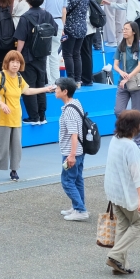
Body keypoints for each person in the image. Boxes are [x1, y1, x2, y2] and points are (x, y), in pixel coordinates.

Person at [0, 50, 55, 182]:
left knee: (16, 146)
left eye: (18, 62)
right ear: (7, 63)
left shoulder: (19, 78)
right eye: (12, 62)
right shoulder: (0, 76)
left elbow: (27, 91)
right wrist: (1, 104)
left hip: (15, 117)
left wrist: (45, 89)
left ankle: (14, 170)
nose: (15, 65)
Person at [104, 110, 140, 276]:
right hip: (126, 194)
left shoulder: (115, 140)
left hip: (113, 191)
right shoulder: (131, 147)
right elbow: (137, 174)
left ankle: (120, 263)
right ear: (134, 126)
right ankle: (115, 255)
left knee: (122, 225)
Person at [14, 0, 56, 125]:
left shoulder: (25, 17)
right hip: (42, 54)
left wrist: (18, 55)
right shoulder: (47, 15)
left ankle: (33, 117)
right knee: (41, 85)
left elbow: (21, 39)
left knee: (29, 86)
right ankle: (42, 115)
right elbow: (54, 30)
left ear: (28, 0)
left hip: (28, 55)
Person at [55, 78, 88, 221]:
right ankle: (77, 206)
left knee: (67, 181)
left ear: (65, 91)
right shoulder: (76, 103)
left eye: (57, 88)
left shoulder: (69, 110)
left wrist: (72, 155)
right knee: (77, 179)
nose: (54, 90)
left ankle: (80, 210)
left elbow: (74, 133)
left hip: (72, 151)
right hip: (81, 150)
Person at [113, 22, 140, 147]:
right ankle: (125, 134)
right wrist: (121, 72)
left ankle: (137, 142)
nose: (124, 31)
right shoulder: (121, 46)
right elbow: (115, 65)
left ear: (134, 31)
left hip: (136, 83)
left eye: (127, 29)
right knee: (118, 110)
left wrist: (129, 75)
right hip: (122, 83)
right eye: (123, 29)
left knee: (138, 113)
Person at [37, 0, 67, 85]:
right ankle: (56, 82)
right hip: (58, 24)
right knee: (54, 54)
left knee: (46, 55)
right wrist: (62, 27)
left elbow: (41, 10)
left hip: (46, 25)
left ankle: (48, 82)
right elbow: (64, 11)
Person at [63, 0, 92, 87]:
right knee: (77, 53)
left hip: (70, 27)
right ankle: (78, 79)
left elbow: (66, 10)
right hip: (82, 27)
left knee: (67, 54)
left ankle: (71, 79)